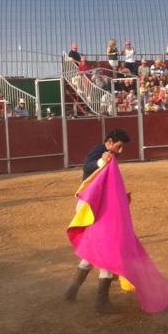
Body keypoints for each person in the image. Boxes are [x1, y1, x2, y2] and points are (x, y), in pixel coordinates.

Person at [64, 128, 132, 312]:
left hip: (97, 207)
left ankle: (72, 290)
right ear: (109, 142)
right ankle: (101, 302)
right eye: (118, 146)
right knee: (108, 251)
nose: (120, 151)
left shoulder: (111, 155)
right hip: (93, 209)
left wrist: (121, 197)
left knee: (94, 250)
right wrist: (101, 161)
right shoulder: (99, 151)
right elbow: (87, 167)